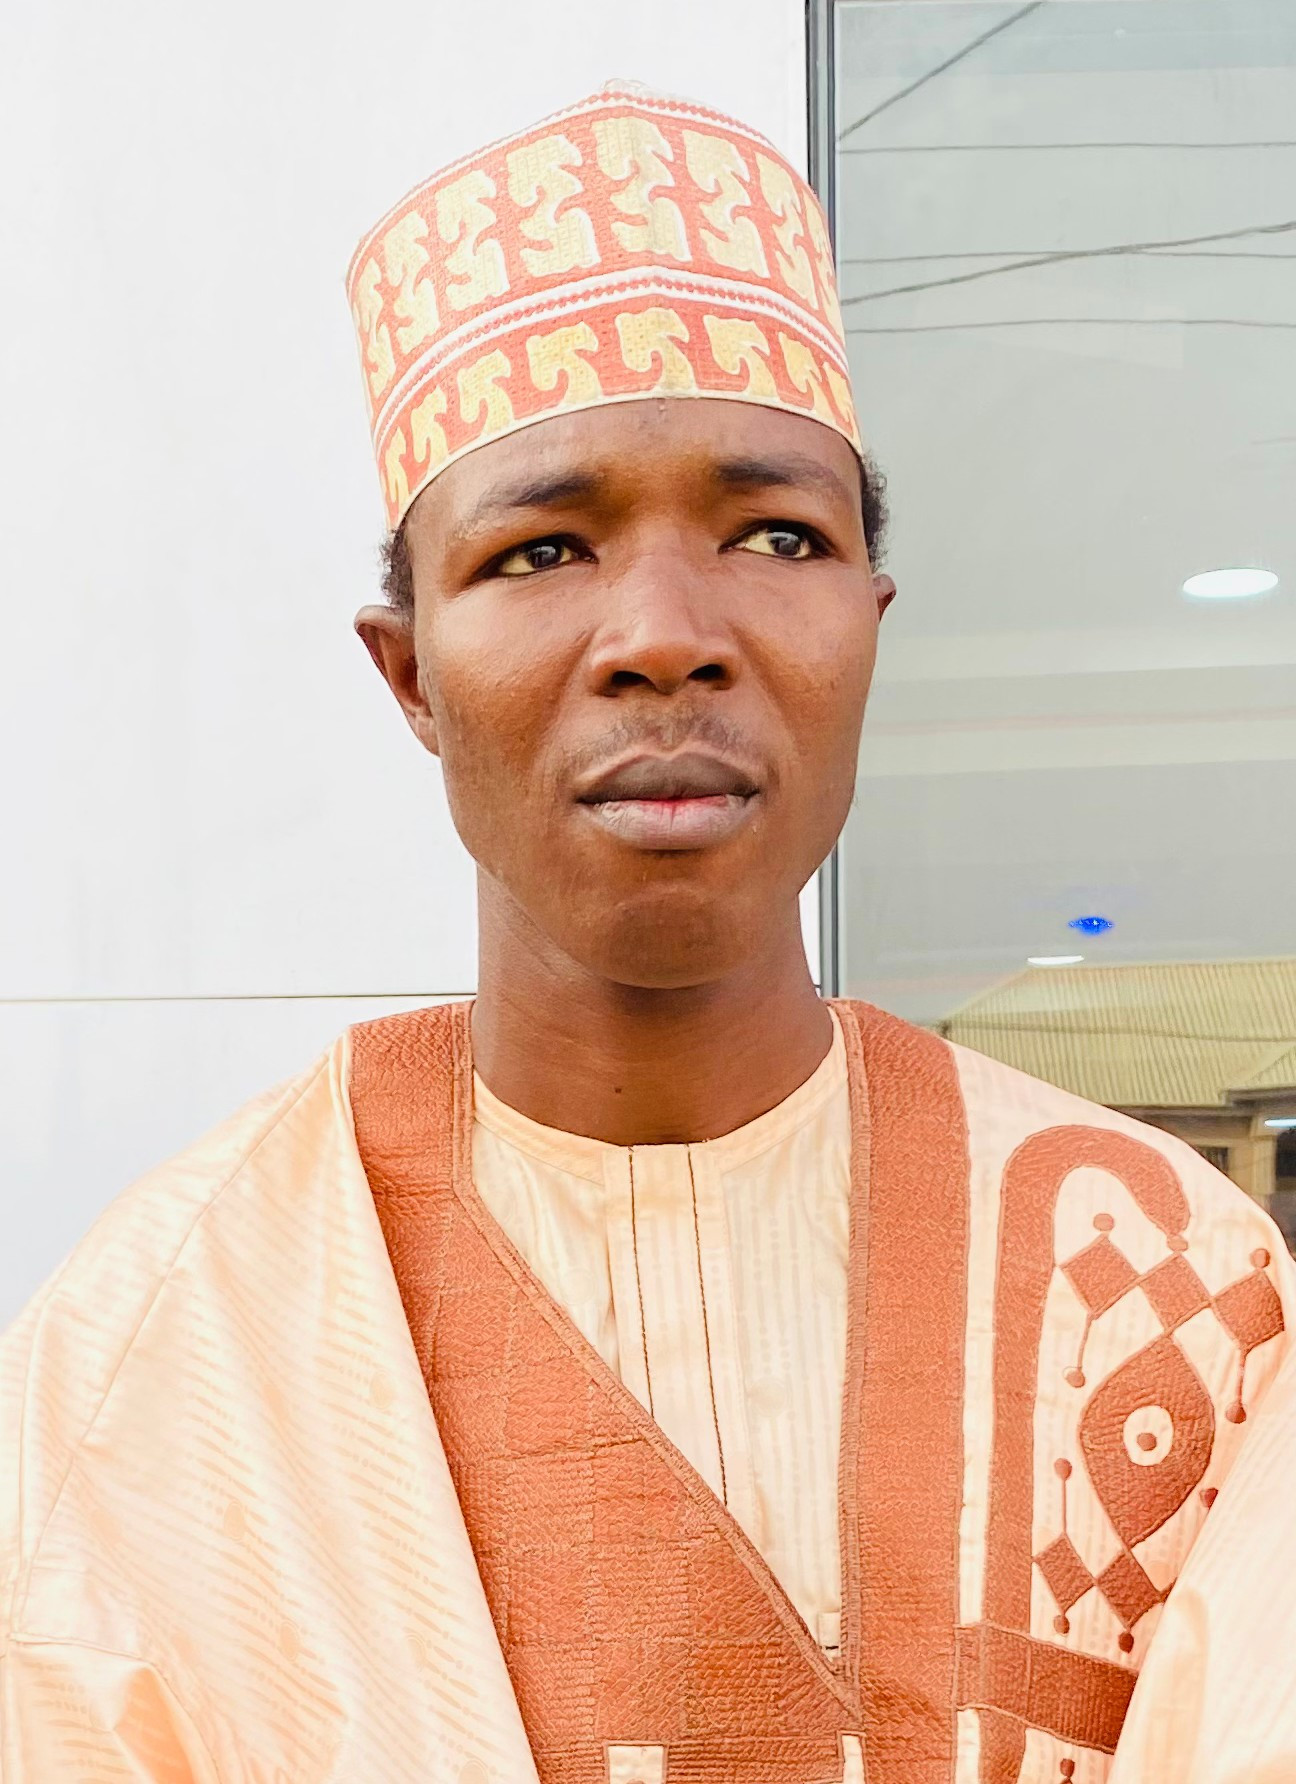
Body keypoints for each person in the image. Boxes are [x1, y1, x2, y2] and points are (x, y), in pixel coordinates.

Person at [0, 80, 1292, 1784]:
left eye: (776, 536)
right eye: (543, 550)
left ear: (869, 625)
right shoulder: (170, 1342)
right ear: (411, 676)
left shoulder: (1180, 1285)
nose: (665, 635)